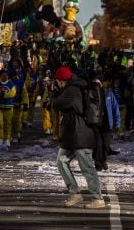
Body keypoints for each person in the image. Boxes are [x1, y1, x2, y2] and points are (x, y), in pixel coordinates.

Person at [49, 65, 105, 210]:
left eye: (57, 81)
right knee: (61, 162)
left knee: (87, 167)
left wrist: (53, 93)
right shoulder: (73, 88)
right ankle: (74, 192)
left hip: (81, 134)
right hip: (72, 134)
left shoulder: (72, 90)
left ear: (62, 80)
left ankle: (98, 198)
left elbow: (56, 104)